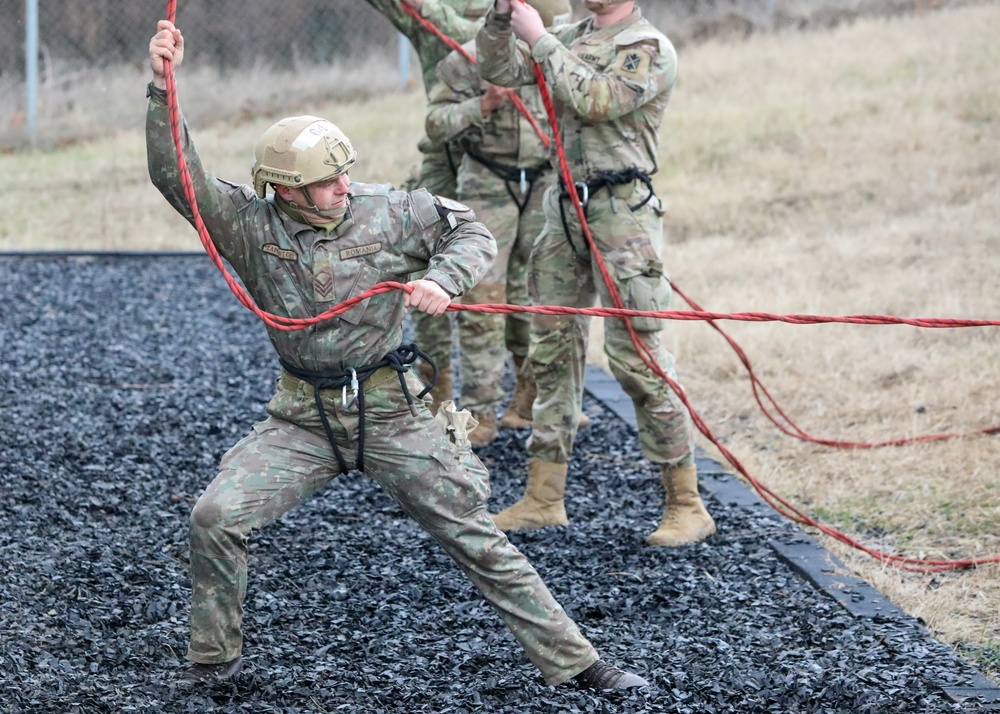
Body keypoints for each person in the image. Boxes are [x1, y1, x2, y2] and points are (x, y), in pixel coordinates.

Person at [146, 20, 648, 690]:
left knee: (475, 533)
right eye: (326, 182)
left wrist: (444, 279)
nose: (343, 188)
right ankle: (214, 664)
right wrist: (161, 86)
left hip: (392, 415)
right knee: (213, 516)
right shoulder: (246, 224)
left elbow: (467, 228)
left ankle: (579, 665)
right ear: (285, 190)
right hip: (301, 420)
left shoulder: (389, 210)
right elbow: (176, 175)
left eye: (344, 174)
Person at [476, 0, 717, 546]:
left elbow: (598, 99)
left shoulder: (647, 47)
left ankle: (687, 504)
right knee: (552, 347)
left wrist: (539, 38)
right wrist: (498, 18)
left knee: (638, 355)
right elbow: (497, 70)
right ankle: (544, 496)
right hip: (564, 208)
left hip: (622, 213)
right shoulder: (569, 34)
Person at [423, 0, 576, 446]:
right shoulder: (466, 61)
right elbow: (435, 125)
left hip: (545, 184)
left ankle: (531, 398)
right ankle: (480, 413)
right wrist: (482, 105)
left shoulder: (560, 55)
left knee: (542, 296)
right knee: (482, 304)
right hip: (489, 183)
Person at [363, 0, 495, 414]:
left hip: (506, 164)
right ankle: (437, 388)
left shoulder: (521, 15)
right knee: (425, 265)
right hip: (445, 153)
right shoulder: (432, 14)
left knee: (504, 272)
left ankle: (519, 389)